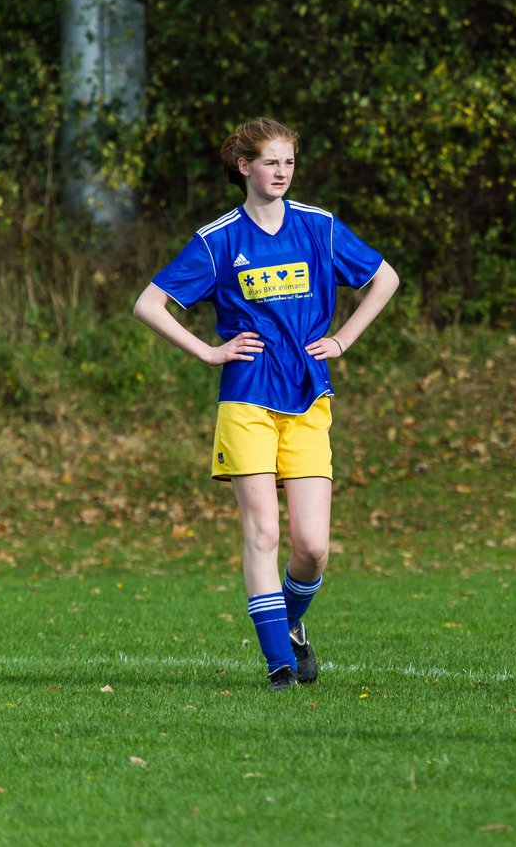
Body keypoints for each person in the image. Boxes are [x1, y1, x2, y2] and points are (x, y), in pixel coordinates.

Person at [134, 118, 400, 691]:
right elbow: (149, 305)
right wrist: (209, 352)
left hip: (308, 397)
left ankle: (289, 629)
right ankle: (279, 665)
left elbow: (385, 278)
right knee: (262, 533)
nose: (281, 172)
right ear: (243, 167)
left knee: (312, 546)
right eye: (270, 162)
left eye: (288, 163)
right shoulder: (219, 239)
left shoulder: (319, 228)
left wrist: (343, 339)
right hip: (247, 397)